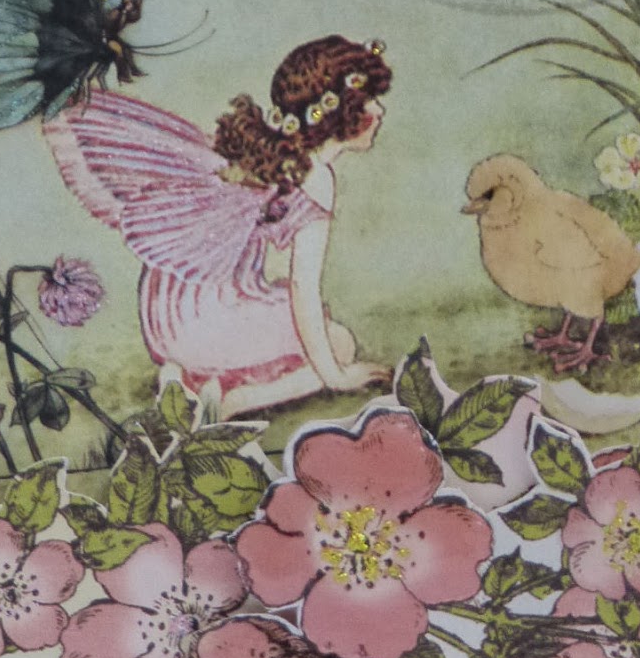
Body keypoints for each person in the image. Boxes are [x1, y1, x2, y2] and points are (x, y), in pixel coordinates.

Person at [45, 35, 391, 418]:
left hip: (166, 317)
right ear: (342, 112)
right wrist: (336, 376)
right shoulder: (315, 177)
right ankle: (232, 402)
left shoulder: (257, 155)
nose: (380, 111)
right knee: (338, 342)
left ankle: (183, 376)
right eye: (371, 101)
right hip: (205, 323)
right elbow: (302, 289)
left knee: (278, 309)